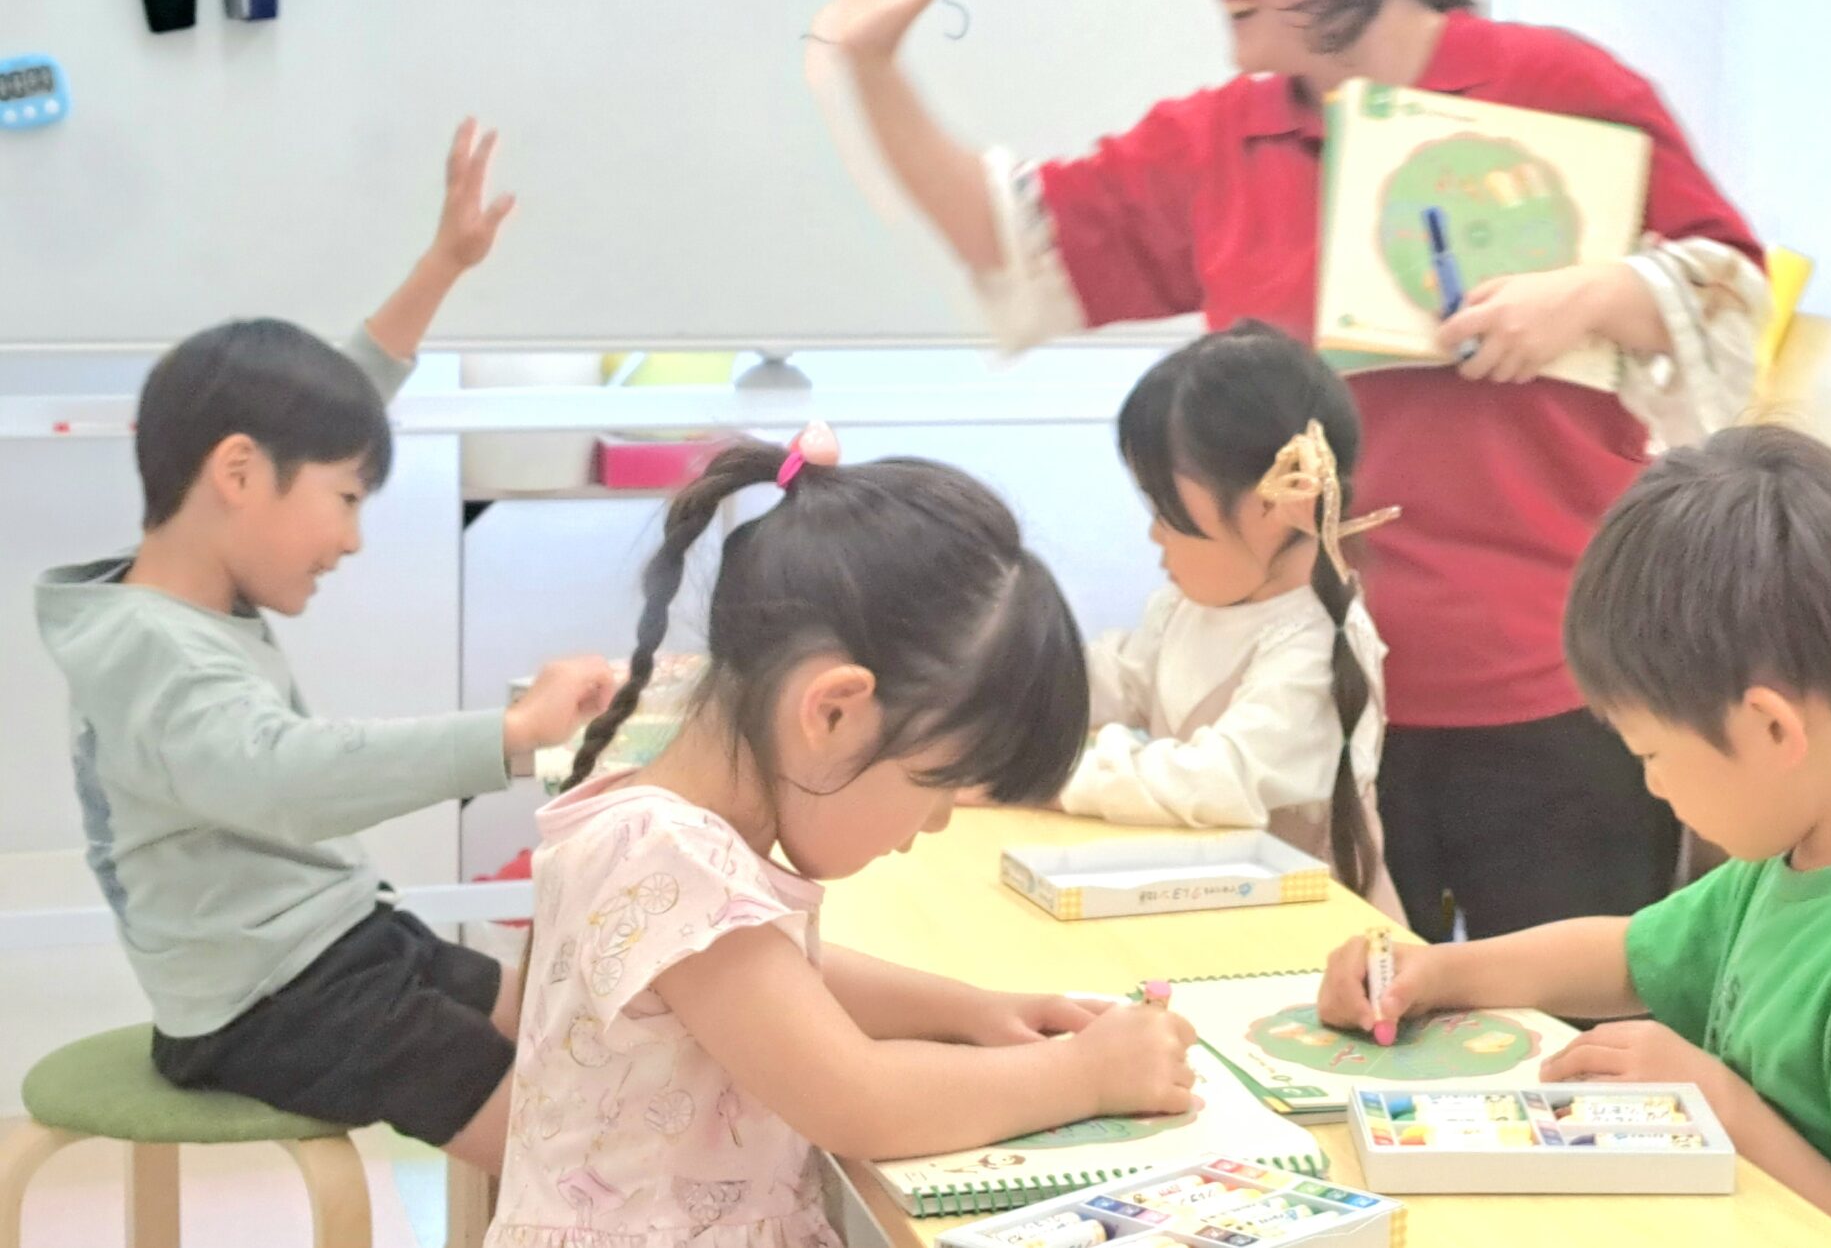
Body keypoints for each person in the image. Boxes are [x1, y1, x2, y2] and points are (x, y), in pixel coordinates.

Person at [814, 0, 1769, 939]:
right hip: (1318, 704)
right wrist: (873, 70)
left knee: (1576, 1026)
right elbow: (1013, 240)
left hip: (1555, 693)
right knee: (1351, 1015)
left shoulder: (1553, 85)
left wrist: (1591, 293)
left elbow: (1729, 292)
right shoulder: (1219, 141)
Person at [33, 121, 619, 1172]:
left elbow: (333, 400)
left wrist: (442, 266)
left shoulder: (171, 599)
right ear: (238, 474)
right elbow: (289, 780)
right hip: (266, 1002)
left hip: (332, 945)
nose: (351, 539)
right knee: (569, 1148)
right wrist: (509, 733)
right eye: (346, 500)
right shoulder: (152, 654)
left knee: (552, 1017)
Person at [1315, 427, 1831, 1247]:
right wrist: (1439, 972)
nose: (1653, 786)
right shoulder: (1797, 859)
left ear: (1770, 728)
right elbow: (1631, 954)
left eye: (1652, 755)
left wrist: (1724, 1108)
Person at [490, 430, 1197, 1246]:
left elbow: (780, 970)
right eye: (935, 785)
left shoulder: (660, 828)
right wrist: (1083, 1075)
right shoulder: (667, 854)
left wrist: (972, 1012)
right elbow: (857, 1099)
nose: (935, 824)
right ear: (832, 711)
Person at [1055, 321, 1402, 918]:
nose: (1154, 534)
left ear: (1276, 503)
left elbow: (1219, 781)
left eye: (1167, 511)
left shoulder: (1318, 645)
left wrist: (1048, 778)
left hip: (1311, 934)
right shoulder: (1191, 606)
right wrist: (1003, 704)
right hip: (1209, 903)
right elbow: (1115, 680)